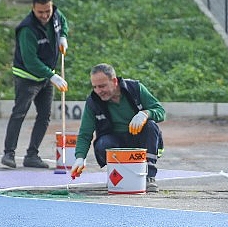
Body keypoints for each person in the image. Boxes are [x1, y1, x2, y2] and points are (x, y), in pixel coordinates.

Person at [70, 63, 165, 193]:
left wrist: (145, 114)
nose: (98, 91)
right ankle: (119, 174)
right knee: (103, 143)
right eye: (95, 87)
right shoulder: (93, 101)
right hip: (115, 143)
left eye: (102, 86)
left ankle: (149, 177)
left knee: (150, 126)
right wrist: (80, 157)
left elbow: (160, 111)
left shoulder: (135, 89)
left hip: (139, 141)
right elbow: (85, 133)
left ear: (114, 81)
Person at [1, 0, 69, 169]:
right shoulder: (27, 29)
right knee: (19, 113)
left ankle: (32, 155)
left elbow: (63, 22)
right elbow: (31, 61)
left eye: (48, 10)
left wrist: (63, 36)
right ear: (33, 9)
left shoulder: (54, 14)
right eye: (41, 12)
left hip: (47, 76)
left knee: (45, 116)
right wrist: (52, 76)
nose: (45, 15)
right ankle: (9, 153)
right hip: (27, 77)